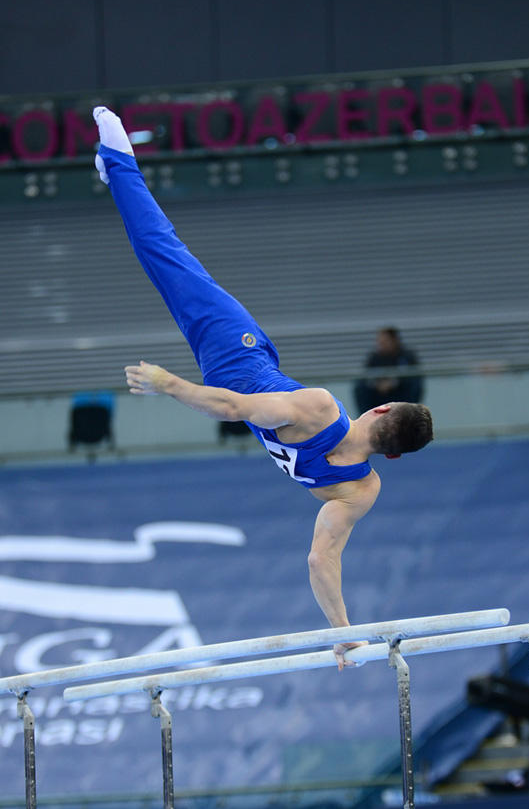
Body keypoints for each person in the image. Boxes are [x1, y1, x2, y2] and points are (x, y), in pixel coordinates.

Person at [92, 107, 434, 669]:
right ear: (394, 452)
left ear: (381, 406)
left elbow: (229, 405)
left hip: (237, 354)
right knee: (159, 257)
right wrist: (344, 630)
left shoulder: (322, 408)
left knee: (164, 252)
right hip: (249, 362)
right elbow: (321, 560)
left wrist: (167, 383)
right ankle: (118, 172)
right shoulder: (360, 490)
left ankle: (119, 164)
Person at [354, 328, 423, 415]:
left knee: (415, 384)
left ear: (394, 340)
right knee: (359, 387)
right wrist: (377, 384)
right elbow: (367, 376)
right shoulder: (374, 357)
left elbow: (412, 375)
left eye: (385, 341)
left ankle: (410, 414)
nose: (381, 345)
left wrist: (393, 383)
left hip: (400, 394)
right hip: (379, 394)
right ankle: (365, 417)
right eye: (380, 342)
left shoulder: (407, 355)